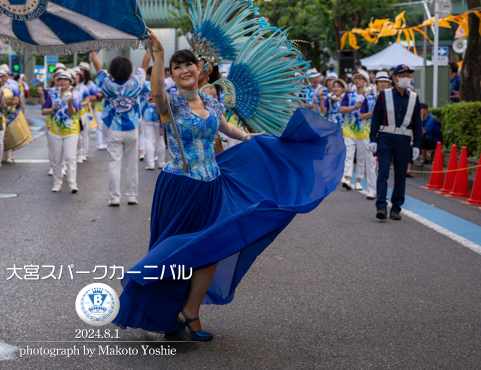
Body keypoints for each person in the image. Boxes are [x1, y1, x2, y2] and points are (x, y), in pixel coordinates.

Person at [112, 31, 343, 340]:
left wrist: (250, 137)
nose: (184, 70)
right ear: (172, 75)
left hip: (211, 186)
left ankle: (190, 312)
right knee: (177, 251)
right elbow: (155, 94)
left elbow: (225, 128)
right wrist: (158, 54)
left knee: (212, 247)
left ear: (198, 68)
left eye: (188, 65)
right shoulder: (170, 105)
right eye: (176, 67)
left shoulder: (210, 101)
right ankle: (165, 312)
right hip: (179, 187)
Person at [90, 49, 151, 206]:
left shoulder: (107, 84)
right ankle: (132, 196)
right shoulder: (136, 83)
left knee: (114, 164)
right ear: (129, 71)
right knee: (132, 164)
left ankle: (114, 197)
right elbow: (145, 64)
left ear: (112, 71)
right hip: (132, 129)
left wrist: (93, 51)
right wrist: (149, 47)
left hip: (114, 129)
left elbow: (97, 68)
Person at [369, 64, 422, 221]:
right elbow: (376, 118)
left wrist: (417, 144)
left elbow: (417, 122)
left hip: (404, 140)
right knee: (383, 172)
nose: (406, 78)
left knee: (400, 175)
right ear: (395, 78)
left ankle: (396, 208)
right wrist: (373, 139)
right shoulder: (384, 95)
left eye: (408, 75)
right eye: (402, 75)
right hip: (385, 137)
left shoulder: (414, 97)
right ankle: (381, 207)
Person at [42, 69, 81, 193]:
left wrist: (70, 104)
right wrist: (52, 109)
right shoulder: (52, 94)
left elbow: (72, 113)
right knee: (56, 159)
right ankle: (57, 183)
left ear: (70, 82)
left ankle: (72, 184)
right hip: (55, 132)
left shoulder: (76, 95)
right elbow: (43, 111)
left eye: (66, 80)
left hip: (71, 132)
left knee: (70, 158)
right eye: (61, 79)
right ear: (57, 81)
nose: (63, 82)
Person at [339, 71, 376, 199]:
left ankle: (358, 181)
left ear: (366, 81)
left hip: (364, 132)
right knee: (349, 155)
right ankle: (348, 179)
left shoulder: (370, 97)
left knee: (361, 158)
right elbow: (341, 109)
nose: (358, 81)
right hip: (349, 131)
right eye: (356, 79)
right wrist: (354, 107)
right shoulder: (348, 96)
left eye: (361, 79)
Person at [140, 65, 165, 170]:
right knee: (160, 140)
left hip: (146, 116)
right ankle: (161, 162)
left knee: (148, 140)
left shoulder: (143, 85)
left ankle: (150, 164)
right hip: (160, 116)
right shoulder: (161, 84)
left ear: (148, 74)